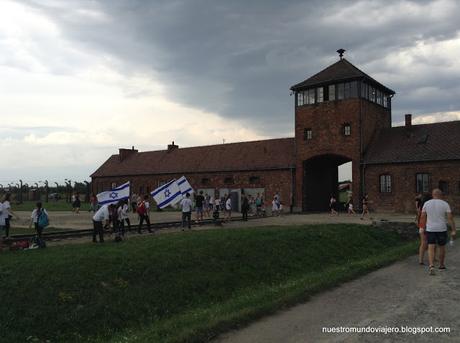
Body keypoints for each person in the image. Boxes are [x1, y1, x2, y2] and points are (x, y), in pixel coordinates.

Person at [420, 188, 456, 275]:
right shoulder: (445, 204)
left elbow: (422, 217)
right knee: (442, 247)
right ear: (441, 195)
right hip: (441, 229)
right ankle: (441, 265)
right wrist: (453, 229)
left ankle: (431, 266)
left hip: (430, 229)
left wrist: (422, 227)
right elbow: (450, 218)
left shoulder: (427, 203)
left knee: (431, 247)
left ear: (433, 195)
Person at [417, 192, 432, 265]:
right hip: (429, 225)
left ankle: (421, 260)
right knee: (432, 242)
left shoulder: (421, 205)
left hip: (422, 225)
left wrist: (419, 223)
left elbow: (419, 215)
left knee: (423, 243)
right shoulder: (431, 205)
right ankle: (433, 258)